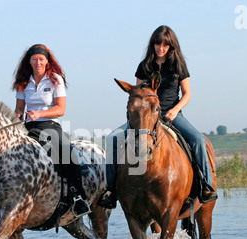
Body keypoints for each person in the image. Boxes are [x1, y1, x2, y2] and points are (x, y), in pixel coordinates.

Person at [99, 26, 217, 208]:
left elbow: (187, 94)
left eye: (165, 45)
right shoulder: (144, 66)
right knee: (112, 139)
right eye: (157, 44)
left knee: (199, 141)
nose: (160, 48)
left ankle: (206, 186)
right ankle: (110, 191)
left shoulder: (179, 66)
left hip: (171, 114)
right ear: (152, 44)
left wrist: (175, 110)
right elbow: (137, 94)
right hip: (146, 117)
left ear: (171, 46)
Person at [12, 44, 90, 216]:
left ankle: (77, 196)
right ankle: (6, 200)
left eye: (41, 59)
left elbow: (60, 109)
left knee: (65, 152)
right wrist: (15, 122)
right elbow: (19, 109)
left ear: (47, 61)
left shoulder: (55, 79)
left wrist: (39, 113)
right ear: (29, 61)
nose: (37, 62)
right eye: (34, 59)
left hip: (50, 125)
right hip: (28, 127)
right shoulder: (23, 82)